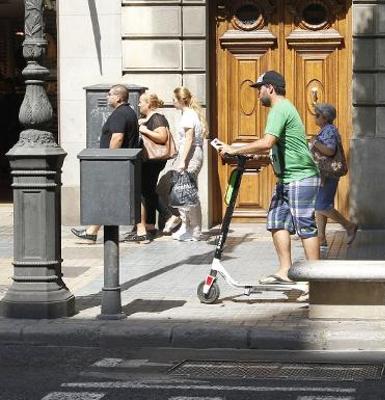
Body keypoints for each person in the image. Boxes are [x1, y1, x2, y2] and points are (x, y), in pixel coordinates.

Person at [217, 70, 320, 284]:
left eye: (259, 89)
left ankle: (316, 281)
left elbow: (267, 142)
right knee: (276, 221)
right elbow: (276, 146)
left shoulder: (279, 109)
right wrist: (249, 152)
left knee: (305, 227)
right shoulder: (281, 108)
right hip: (286, 178)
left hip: (301, 176)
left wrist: (235, 150)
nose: (258, 94)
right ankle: (285, 270)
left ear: (270, 88)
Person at [71, 84, 139, 243]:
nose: (107, 97)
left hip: (116, 164)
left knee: (106, 196)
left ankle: (92, 232)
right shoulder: (129, 112)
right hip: (123, 162)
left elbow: (117, 137)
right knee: (109, 197)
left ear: (118, 97)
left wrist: (109, 160)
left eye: (109, 94)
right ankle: (92, 231)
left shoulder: (119, 114)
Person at [157, 87, 207, 241]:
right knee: (186, 191)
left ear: (181, 100)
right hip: (192, 153)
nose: (172, 103)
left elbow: (189, 139)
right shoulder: (190, 114)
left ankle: (193, 229)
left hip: (190, 154)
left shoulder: (188, 115)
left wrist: (183, 161)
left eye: (174, 100)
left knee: (186, 191)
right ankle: (190, 227)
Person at [121, 92, 170, 243]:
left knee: (145, 191)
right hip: (148, 159)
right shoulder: (148, 118)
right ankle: (149, 226)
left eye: (142, 102)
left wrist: (144, 130)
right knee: (147, 191)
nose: (139, 104)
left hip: (153, 160)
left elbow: (162, 137)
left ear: (149, 104)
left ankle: (167, 216)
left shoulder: (157, 117)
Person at [309, 103, 358, 252]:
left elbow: (330, 151)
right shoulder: (325, 130)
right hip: (324, 173)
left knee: (321, 205)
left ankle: (349, 226)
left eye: (317, 115)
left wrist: (315, 142)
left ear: (324, 118)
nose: (314, 117)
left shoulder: (329, 130)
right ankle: (321, 238)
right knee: (320, 206)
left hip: (329, 174)